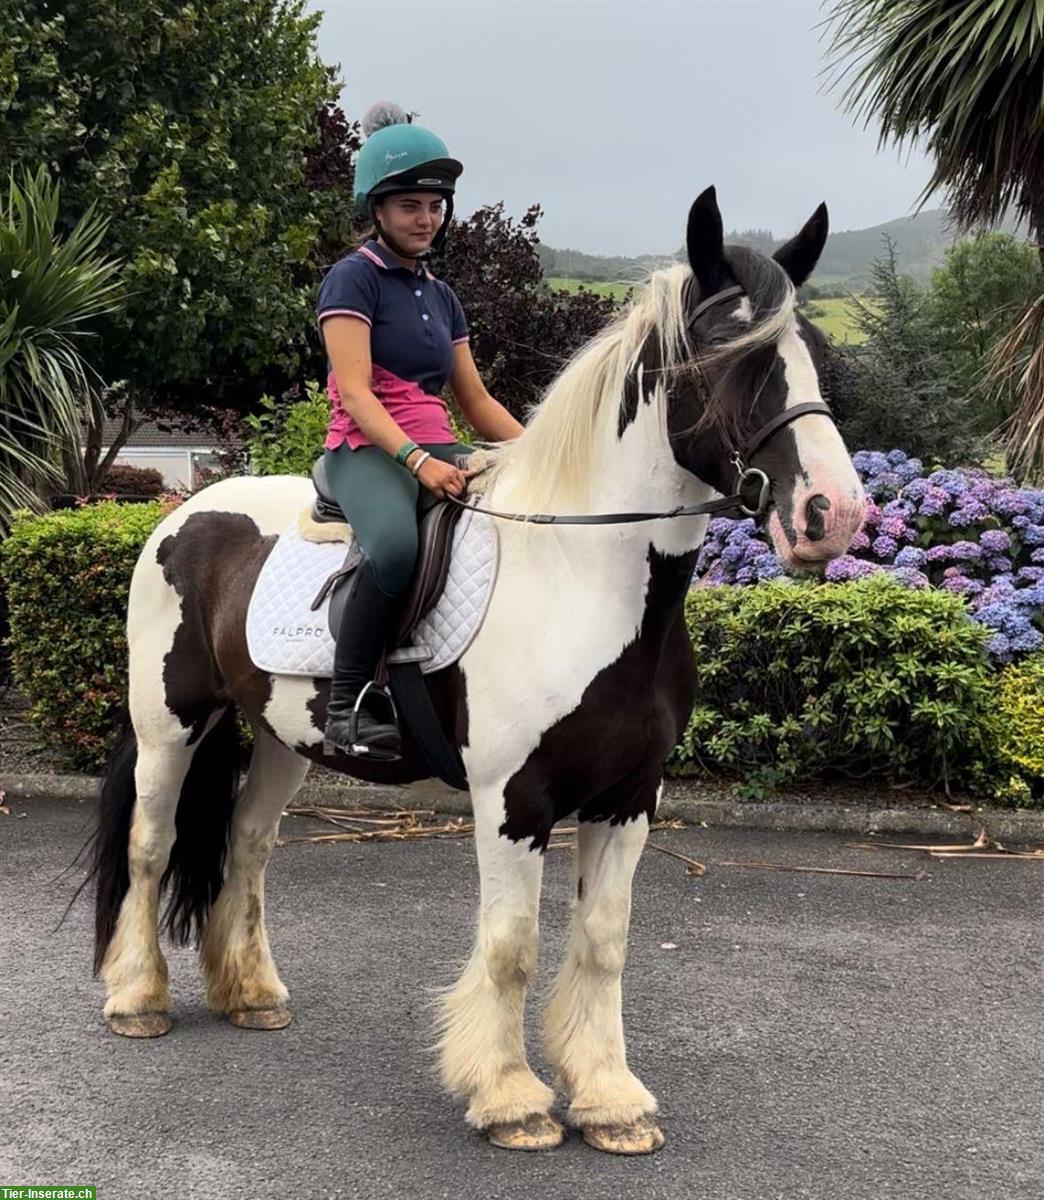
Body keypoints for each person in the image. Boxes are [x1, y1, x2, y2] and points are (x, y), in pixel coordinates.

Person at [316, 103, 523, 761]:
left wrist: (542, 455)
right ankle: (347, 704)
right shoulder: (353, 279)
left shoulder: (441, 294)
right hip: (366, 449)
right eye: (409, 204)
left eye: (434, 204)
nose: (425, 217)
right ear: (377, 209)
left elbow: (477, 400)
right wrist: (415, 461)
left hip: (438, 444)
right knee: (396, 546)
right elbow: (355, 392)